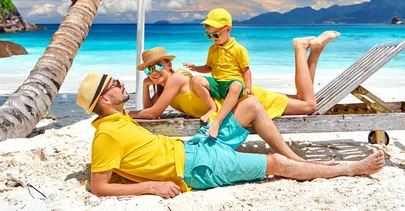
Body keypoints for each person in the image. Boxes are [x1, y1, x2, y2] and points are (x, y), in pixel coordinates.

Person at [76, 73, 385, 198]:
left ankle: (295, 158)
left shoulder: (121, 119)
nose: (119, 83)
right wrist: (153, 186)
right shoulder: (106, 135)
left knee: (250, 104)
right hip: (197, 169)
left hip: (196, 146)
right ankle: (348, 169)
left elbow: (150, 114)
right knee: (273, 163)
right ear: (104, 100)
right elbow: (99, 186)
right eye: (114, 83)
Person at [133, 30, 340, 125]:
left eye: (157, 66)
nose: (154, 72)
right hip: (237, 101)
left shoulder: (177, 79)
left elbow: (151, 114)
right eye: (148, 70)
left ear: (169, 65)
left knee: (308, 105)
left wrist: (123, 113)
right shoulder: (164, 85)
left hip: (243, 101)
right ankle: (315, 51)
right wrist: (145, 85)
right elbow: (151, 110)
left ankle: (300, 47)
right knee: (303, 99)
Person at [183, 8, 251, 138]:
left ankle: (218, 121)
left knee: (236, 86)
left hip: (232, 82)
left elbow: (246, 70)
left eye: (216, 34)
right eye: (209, 35)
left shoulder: (238, 49)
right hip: (218, 84)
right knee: (196, 80)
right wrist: (196, 68)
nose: (213, 38)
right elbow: (209, 67)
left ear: (228, 29)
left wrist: (248, 87)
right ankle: (212, 108)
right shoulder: (212, 49)